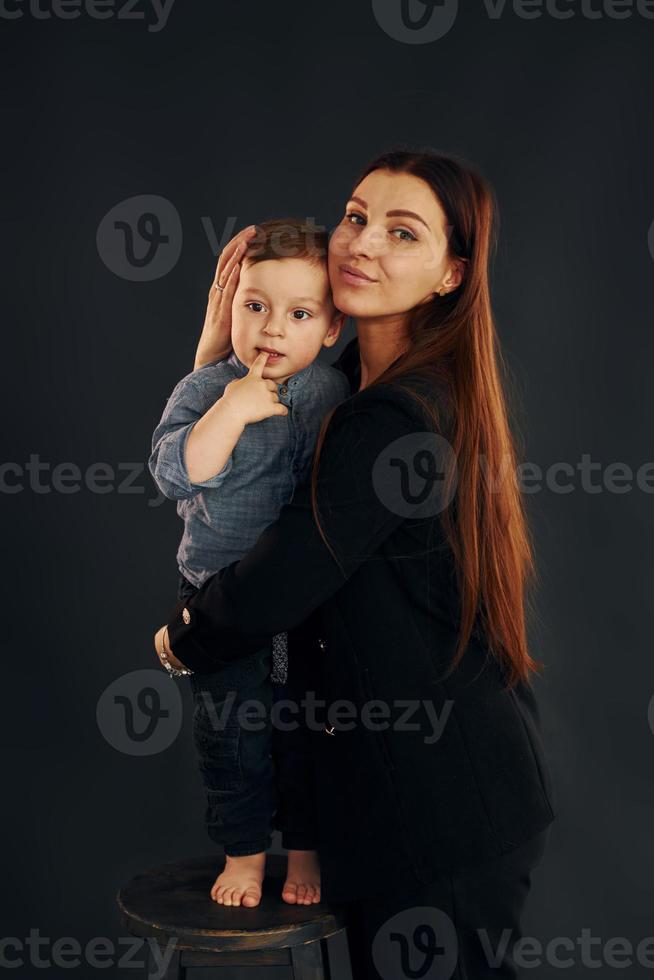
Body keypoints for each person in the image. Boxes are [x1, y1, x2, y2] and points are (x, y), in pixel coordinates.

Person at [153, 149, 556, 979]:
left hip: (442, 804)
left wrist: (180, 641)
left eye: (401, 232)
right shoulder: (337, 388)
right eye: (356, 215)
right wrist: (213, 356)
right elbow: (219, 469)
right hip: (398, 797)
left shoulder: (394, 420)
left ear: (451, 274)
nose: (361, 243)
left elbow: (277, 580)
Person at [149, 218, 350, 909]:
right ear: (229, 306)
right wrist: (231, 410)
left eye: (298, 314)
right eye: (254, 306)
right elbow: (177, 473)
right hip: (219, 600)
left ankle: (305, 848)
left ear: (329, 329)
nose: (271, 329)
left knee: (304, 725)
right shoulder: (205, 389)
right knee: (232, 735)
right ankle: (242, 852)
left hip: (303, 604)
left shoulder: (329, 394)